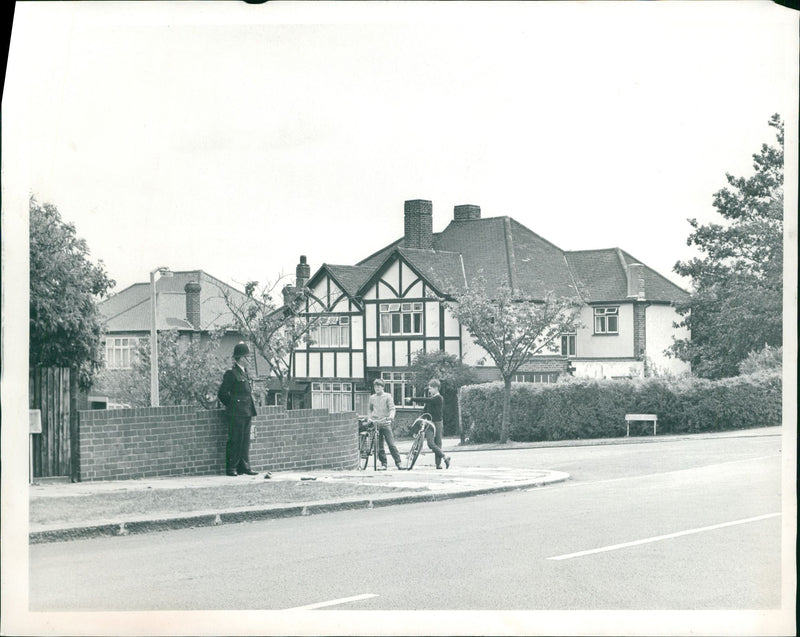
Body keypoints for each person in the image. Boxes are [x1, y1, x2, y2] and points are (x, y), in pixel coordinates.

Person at [217, 342, 270, 478]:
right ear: (241, 358)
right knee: (235, 439)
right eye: (248, 357)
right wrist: (233, 405)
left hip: (247, 411)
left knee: (245, 440)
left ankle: (244, 466)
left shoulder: (244, 373)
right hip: (237, 412)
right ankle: (232, 467)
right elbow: (222, 394)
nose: (250, 359)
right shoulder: (231, 373)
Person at [411, 379, 451, 469]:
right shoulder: (432, 399)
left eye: (430, 389)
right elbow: (425, 411)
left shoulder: (438, 398)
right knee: (430, 443)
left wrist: (412, 399)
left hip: (437, 423)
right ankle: (445, 457)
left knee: (438, 442)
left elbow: (426, 400)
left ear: (436, 388)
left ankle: (438, 464)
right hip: (429, 424)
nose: (429, 390)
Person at [368, 378, 404, 471]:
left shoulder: (387, 396)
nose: (377, 388)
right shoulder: (372, 398)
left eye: (379, 386)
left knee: (391, 444)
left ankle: (399, 463)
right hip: (376, 423)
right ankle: (384, 464)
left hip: (385, 422)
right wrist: (369, 418)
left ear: (383, 387)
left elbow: (392, 408)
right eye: (375, 386)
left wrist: (391, 417)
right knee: (379, 446)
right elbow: (370, 409)